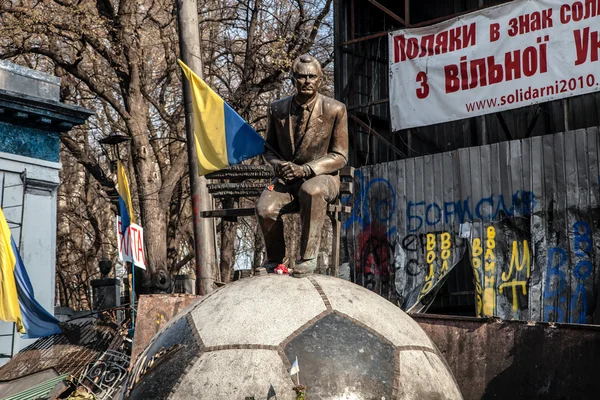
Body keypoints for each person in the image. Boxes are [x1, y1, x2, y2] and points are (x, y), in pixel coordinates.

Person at [255, 54, 349, 275]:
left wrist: (307, 169)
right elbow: (268, 149)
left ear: (320, 79)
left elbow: (340, 155)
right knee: (264, 208)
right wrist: (278, 165)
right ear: (292, 79)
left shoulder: (335, 109)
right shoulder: (277, 109)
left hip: (322, 177)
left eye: (312, 77)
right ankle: (274, 260)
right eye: (301, 76)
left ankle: (307, 258)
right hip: (287, 179)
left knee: (311, 190)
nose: (307, 81)